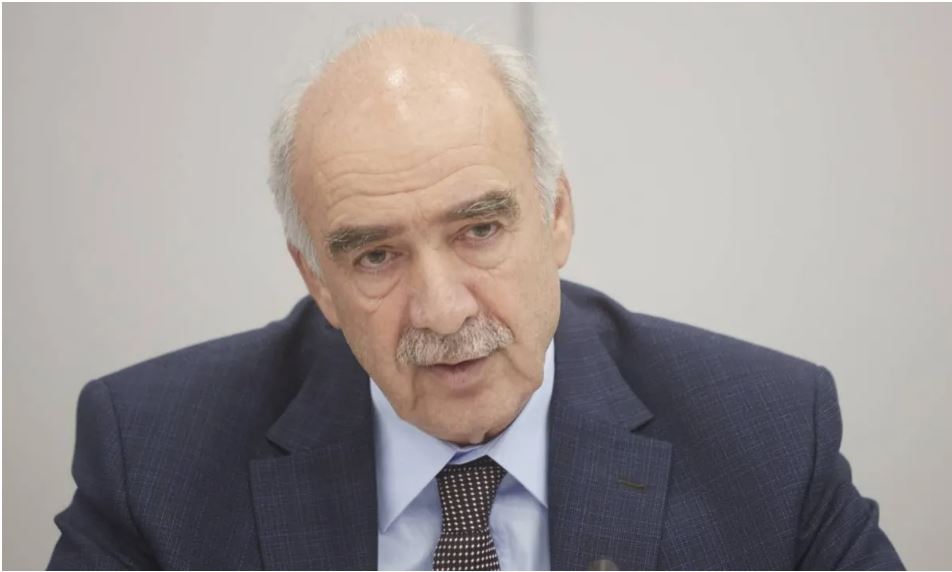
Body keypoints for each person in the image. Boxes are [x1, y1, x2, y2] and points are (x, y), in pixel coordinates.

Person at [48, 24, 903, 571]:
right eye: (376, 255)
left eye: (480, 230)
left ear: (557, 217)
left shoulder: (767, 435)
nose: (444, 311)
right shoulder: (152, 457)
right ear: (317, 281)